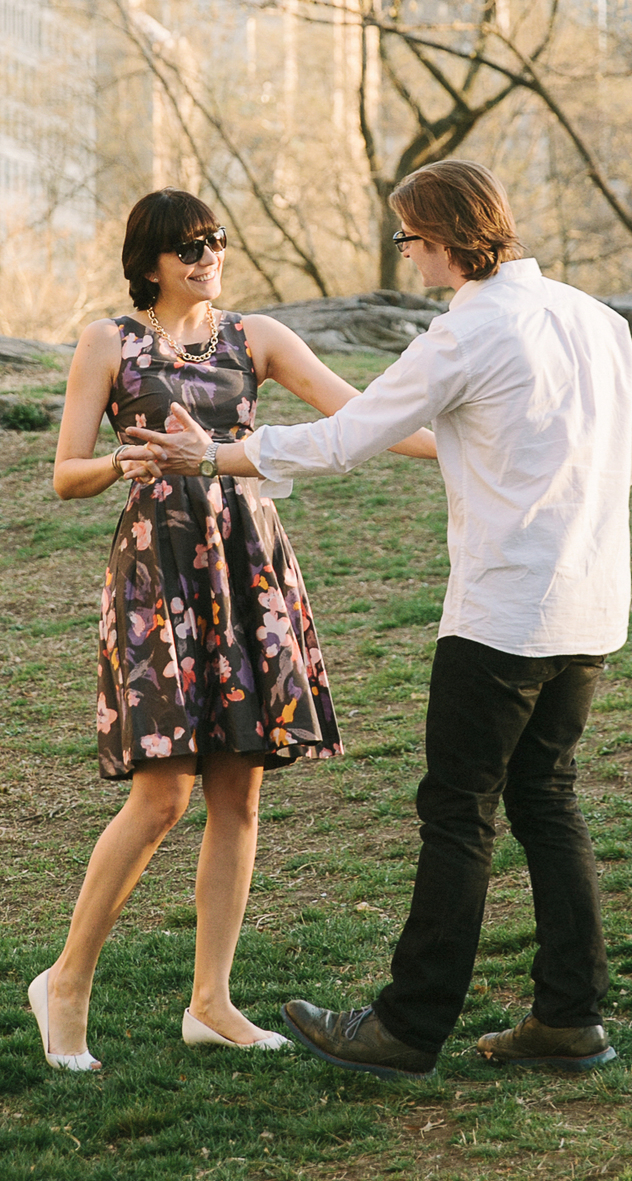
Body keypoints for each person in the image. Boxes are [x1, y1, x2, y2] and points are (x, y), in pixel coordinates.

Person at [122, 159, 632, 1078]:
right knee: (548, 801)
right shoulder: (594, 316)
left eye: (410, 240)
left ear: (448, 240)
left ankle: (407, 1026)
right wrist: (570, 498)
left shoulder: (465, 336)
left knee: (457, 814)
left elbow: (344, 439)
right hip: (589, 605)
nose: (408, 256)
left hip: (503, 612)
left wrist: (209, 455)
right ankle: (570, 1018)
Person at [34, 188, 437, 1071]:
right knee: (162, 793)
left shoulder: (256, 338)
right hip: (158, 571)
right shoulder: (110, 342)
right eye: (187, 246)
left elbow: (359, 415)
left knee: (238, 793)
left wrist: (475, 448)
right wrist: (121, 459)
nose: (206, 256)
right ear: (149, 262)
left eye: (214, 240)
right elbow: (65, 474)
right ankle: (64, 983)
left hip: (247, 566)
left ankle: (210, 1002)